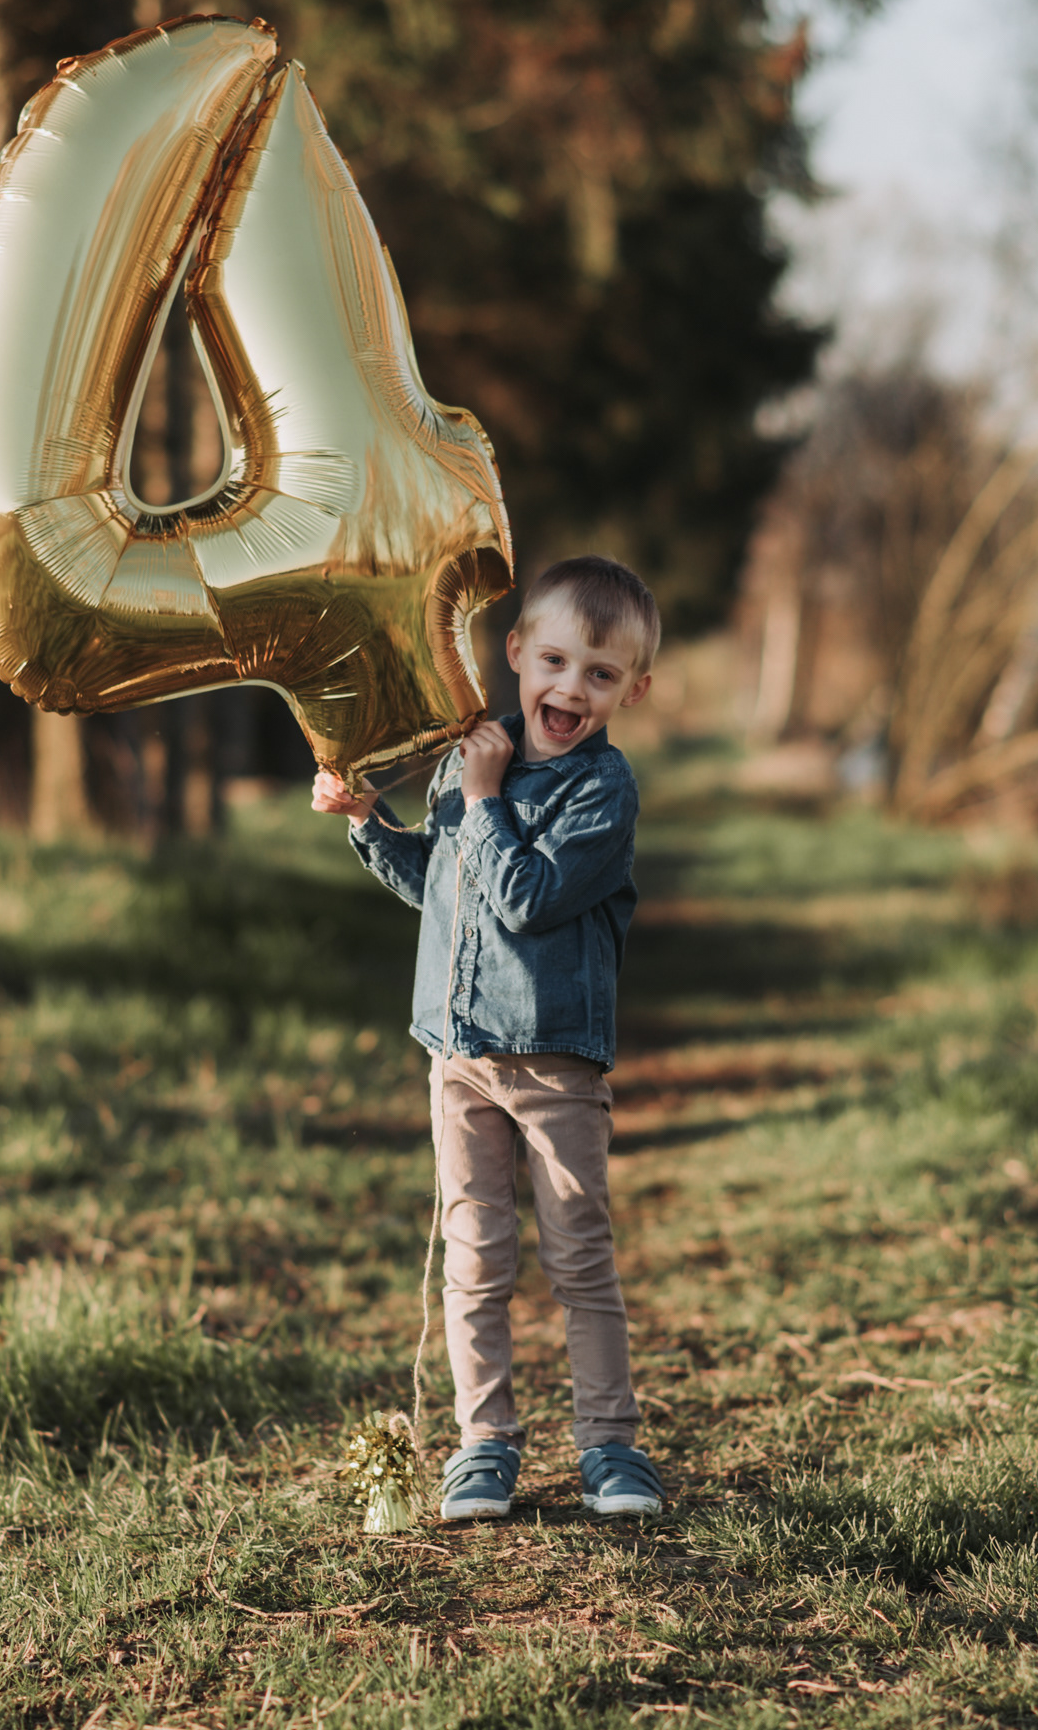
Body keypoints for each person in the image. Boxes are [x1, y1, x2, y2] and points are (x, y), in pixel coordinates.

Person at [312, 555, 666, 1522]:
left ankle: (609, 1446)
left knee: (577, 1256)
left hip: (555, 1062)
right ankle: (484, 1443)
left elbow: (524, 897)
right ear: (515, 653)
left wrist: (482, 798)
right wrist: (368, 819)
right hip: (460, 1056)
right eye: (554, 661)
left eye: (600, 674)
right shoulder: (473, 759)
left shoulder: (601, 790)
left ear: (632, 691)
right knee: (474, 1258)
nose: (570, 688)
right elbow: (442, 884)